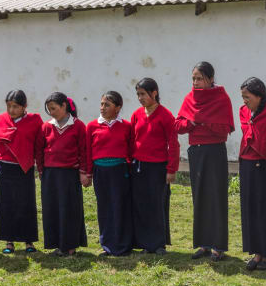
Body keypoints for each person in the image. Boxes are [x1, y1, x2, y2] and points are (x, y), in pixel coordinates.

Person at [175, 62, 235, 262]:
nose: (196, 82)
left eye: (200, 78)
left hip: (215, 151)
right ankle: (203, 243)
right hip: (196, 152)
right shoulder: (189, 98)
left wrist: (202, 121)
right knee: (198, 195)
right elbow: (178, 125)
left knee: (216, 197)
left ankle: (218, 246)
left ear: (210, 79)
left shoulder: (221, 98)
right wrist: (192, 122)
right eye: (193, 78)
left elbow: (224, 129)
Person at [0, 90, 43, 254]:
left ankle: (29, 241)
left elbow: (39, 145)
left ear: (24, 106)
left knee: (25, 204)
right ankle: (9, 241)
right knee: (6, 205)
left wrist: (40, 167)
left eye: (15, 107)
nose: (11, 110)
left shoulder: (34, 121)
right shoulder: (1, 120)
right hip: (5, 168)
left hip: (24, 168)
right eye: (9, 106)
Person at [238, 77, 266, 270]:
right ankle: (256, 252)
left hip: (264, 165)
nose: (244, 101)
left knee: (264, 209)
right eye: (242, 97)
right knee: (250, 209)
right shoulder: (244, 111)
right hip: (247, 164)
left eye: (247, 97)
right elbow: (247, 130)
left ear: (259, 96)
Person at [130, 78, 180, 255]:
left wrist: (171, 169)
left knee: (157, 204)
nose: (140, 98)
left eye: (143, 94)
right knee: (141, 204)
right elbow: (132, 140)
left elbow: (173, 144)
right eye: (138, 94)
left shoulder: (165, 116)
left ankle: (158, 243)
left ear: (154, 93)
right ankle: (144, 242)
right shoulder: (136, 114)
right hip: (139, 166)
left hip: (158, 167)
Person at [35, 92, 88, 257]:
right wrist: (42, 170)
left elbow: (84, 151)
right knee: (52, 209)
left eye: (54, 108)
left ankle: (70, 246)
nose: (51, 112)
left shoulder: (78, 126)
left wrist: (84, 172)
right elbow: (39, 151)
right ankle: (57, 243)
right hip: (50, 175)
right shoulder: (46, 127)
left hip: (70, 174)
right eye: (49, 109)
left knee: (70, 209)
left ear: (64, 106)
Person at [86, 91, 134, 257]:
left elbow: (131, 150)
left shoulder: (126, 126)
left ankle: (123, 244)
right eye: (101, 104)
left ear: (118, 107)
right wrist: (87, 173)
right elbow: (87, 151)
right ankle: (107, 244)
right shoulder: (92, 126)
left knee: (120, 206)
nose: (102, 108)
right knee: (105, 207)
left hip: (119, 172)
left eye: (107, 105)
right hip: (100, 172)